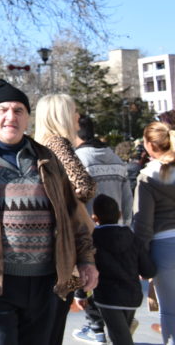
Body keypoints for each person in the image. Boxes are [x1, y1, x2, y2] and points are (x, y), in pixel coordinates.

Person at [0, 79, 98, 345]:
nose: (11, 117)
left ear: (28, 118)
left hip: (46, 283)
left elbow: (74, 217)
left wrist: (86, 260)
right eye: (3, 110)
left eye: (19, 110)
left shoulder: (48, 160)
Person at [33, 93, 98, 345]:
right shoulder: (58, 144)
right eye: (73, 111)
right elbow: (83, 186)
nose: (78, 117)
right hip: (66, 242)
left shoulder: (39, 144)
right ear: (61, 116)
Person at [74, 194, 154, 345]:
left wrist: (80, 294)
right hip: (132, 295)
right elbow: (148, 270)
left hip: (107, 297)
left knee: (120, 338)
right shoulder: (131, 237)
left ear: (94, 218)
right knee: (120, 335)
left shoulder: (92, 238)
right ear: (120, 214)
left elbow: (83, 266)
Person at [132, 120, 175, 345]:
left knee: (170, 310)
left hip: (164, 247)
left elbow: (143, 224)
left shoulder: (148, 177)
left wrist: (141, 257)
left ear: (149, 145)